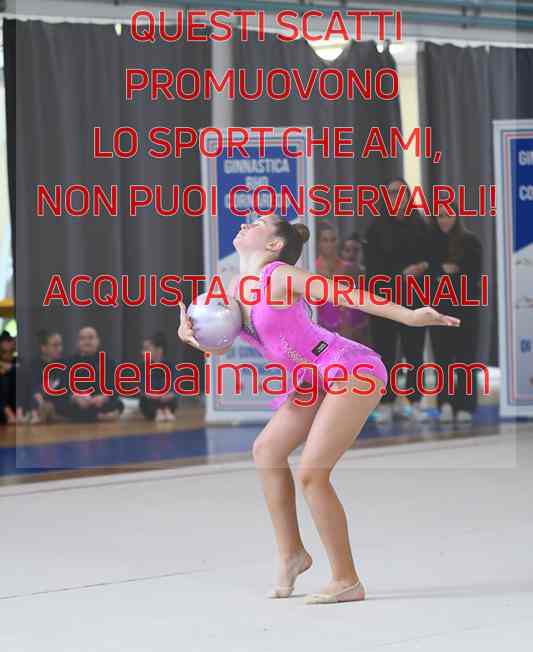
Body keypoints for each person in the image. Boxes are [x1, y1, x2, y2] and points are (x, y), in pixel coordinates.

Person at [177, 214, 459, 604]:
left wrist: (409, 316)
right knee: (267, 451)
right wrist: (192, 337)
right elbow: (222, 345)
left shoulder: (280, 275)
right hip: (309, 380)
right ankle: (291, 553)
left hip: (347, 367)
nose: (246, 223)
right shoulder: (235, 288)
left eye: (258, 223)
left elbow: (344, 294)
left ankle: (346, 579)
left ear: (274, 245)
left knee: (312, 473)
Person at [364, 177, 433, 423]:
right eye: (392, 193)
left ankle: (415, 402)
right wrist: (397, 276)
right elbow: (372, 266)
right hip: (384, 299)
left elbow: (433, 257)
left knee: (414, 351)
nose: (397, 197)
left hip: (415, 297)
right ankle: (386, 402)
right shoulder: (376, 227)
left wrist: (423, 266)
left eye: (401, 192)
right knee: (385, 352)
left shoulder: (421, 224)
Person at [428, 206, 483, 423]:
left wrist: (449, 276)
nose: (444, 220)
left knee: (465, 358)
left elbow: (474, 277)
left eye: (448, 215)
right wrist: (445, 273)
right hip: (439, 310)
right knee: (442, 358)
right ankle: (445, 403)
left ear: (457, 216)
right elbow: (430, 274)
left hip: (464, 310)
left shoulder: (471, 242)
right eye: (440, 216)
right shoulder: (431, 243)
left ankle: (466, 405)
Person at [60, 326, 124, 422]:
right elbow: (63, 387)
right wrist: (75, 397)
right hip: (78, 403)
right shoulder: (68, 362)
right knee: (61, 404)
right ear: (78, 343)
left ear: (98, 341)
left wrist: (104, 397)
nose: (87, 342)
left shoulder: (108, 361)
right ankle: (100, 416)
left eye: (90, 338)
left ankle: (86, 417)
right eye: (83, 339)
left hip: (99, 401)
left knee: (117, 403)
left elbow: (115, 387)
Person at [23, 330, 65, 423]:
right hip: (37, 404)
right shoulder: (33, 366)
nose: (59, 349)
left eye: (60, 345)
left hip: (56, 407)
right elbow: (33, 390)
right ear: (44, 348)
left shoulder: (63, 365)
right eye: (55, 345)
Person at [315, 220, 349, 334]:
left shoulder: (346, 268)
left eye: (333, 240)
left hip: (345, 328)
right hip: (319, 329)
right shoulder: (313, 270)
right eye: (325, 240)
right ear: (318, 243)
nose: (330, 244)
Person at [139, 332, 178, 422]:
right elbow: (143, 388)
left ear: (159, 350)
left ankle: (166, 411)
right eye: (143, 349)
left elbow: (175, 385)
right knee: (146, 401)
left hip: (166, 400)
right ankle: (158, 412)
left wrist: (169, 394)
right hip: (151, 401)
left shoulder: (170, 366)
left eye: (147, 349)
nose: (143, 353)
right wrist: (154, 395)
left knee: (172, 400)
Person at [339, 234, 370, 345]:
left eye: (356, 250)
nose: (351, 254)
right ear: (341, 253)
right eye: (347, 250)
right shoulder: (333, 278)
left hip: (364, 331)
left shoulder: (369, 277)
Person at [0, 330, 20, 424]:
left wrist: (11, 368)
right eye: (4, 352)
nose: (8, 356)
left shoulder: (18, 362)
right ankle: (8, 413)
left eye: (11, 352)